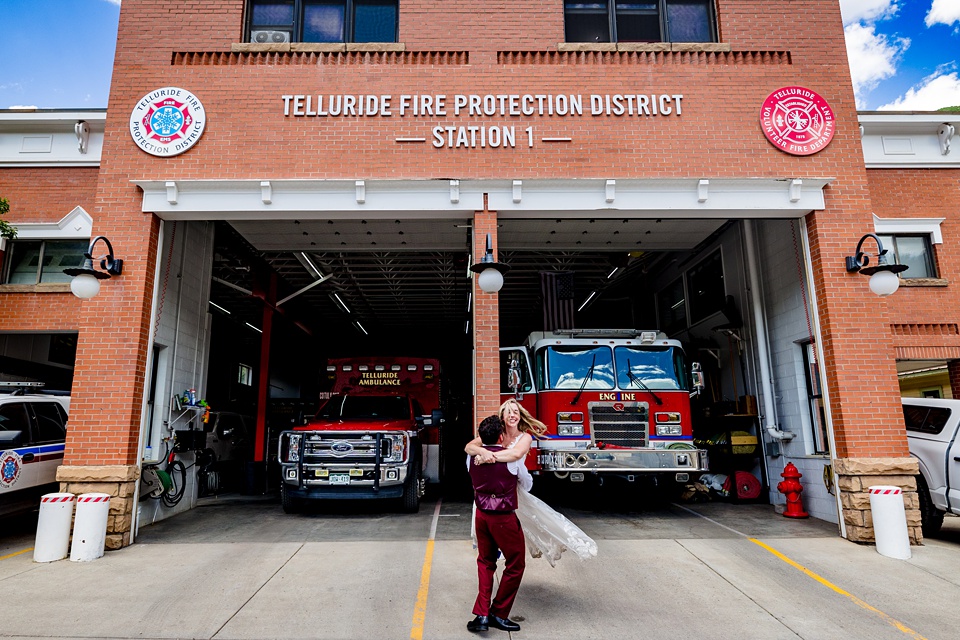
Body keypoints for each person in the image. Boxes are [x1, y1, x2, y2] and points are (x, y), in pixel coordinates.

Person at [466, 398, 598, 566]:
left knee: (538, 522)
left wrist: (487, 456)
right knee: (491, 528)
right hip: (490, 491)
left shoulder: (525, 437)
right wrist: (480, 451)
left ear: (521, 416)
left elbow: (515, 455)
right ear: (502, 416)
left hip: (514, 489)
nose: (513, 415)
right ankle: (495, 552)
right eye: (509, 412)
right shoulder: (496, 433)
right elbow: (468, 447)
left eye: (516, 412)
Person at [467, 414, 530, 633]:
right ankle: (499, 613)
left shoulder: (471, 458)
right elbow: (527, 484)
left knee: (485, 562)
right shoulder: (511, 459)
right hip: (503, 518)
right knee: (515, 563)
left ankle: (482, 614)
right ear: (502, 437)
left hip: (481, 515)